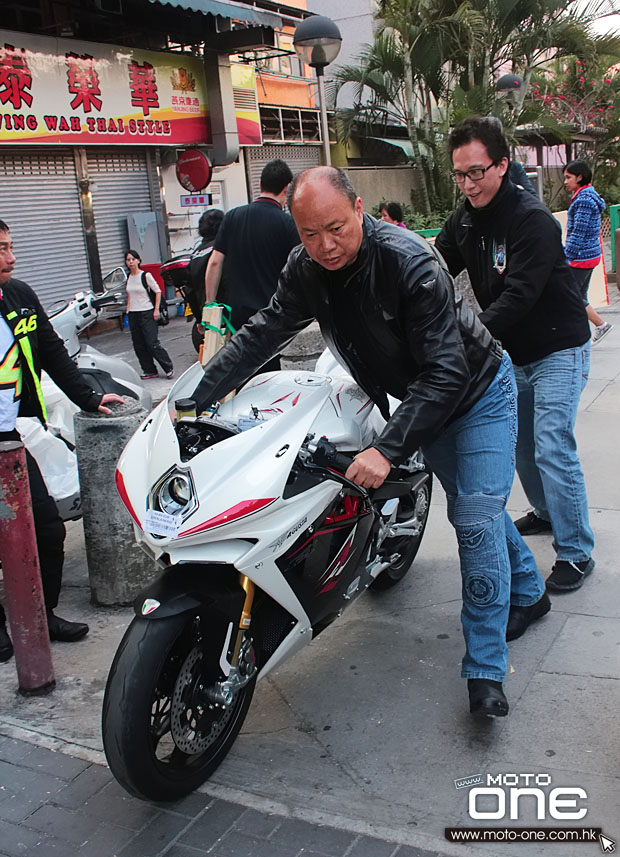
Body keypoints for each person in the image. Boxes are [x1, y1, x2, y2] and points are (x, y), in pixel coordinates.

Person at [190, 166, 548, 718]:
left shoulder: (410, 262)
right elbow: (265, 329)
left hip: (475, 392)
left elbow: (448, 373)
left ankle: (484, 668)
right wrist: (195, 397)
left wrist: (386, 449)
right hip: (423, 402)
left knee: (474, 518)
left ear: (359, 210)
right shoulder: (304, 267)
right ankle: (529, 591)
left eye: (335, 227)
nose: (325, 245)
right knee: (478, 505)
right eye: (309, 234)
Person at [435, 116, 595, 594]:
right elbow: (433, 262)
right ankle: (547, 513)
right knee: (522, 448)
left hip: (559, 347)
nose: (467, 184)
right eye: (459, 174)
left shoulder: (531, 219)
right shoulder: (464, 216)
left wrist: (463, 336)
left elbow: (519, 296)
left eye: (476, 172)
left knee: (551, 444)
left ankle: (576, 551)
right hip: (513, 354)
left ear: (503, 165)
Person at [0, 219, 124, 662]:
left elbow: (52, 350)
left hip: (15, 437)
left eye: (10, 247)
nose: (11, 258)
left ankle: (42, 613)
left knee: (48, 527)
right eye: (1, 249)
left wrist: (89, 397)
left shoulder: (20, 295)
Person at [204, 158, 299, 373]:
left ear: (260, 185)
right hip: (272, 314)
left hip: (237, 315)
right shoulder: (287, 224)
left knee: (239, 372)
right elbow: (299, 270)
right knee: (268, 374)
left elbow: (215, 262)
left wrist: (210, 304)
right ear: (286, 188)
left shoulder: (232, 217)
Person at [563, 159, 612, 344]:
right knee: (579, 296)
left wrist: (566, 255)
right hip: (588, 256)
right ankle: (586, 332)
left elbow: (579, 232)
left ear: (580, 177)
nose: (566, 181)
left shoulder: (583, 200)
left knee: (571, 296)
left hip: (580, 258)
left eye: (569, 177)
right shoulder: (586, 196)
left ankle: (599, 325)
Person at [125, 249, 174, 380]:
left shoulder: (145, 276)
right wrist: (128, 308)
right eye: (128, 260)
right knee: (138, 344)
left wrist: (156, 309)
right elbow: (130, 293)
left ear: (138, 260)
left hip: (147, 312)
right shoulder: (129, 277)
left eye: (133, 259)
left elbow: (157, 291)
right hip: (133, 314)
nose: (131, 262)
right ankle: (149, 370)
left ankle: (168, 367)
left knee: (152, 342)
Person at [186, 209, 225, 352]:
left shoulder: (196, 254)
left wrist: (198, 318)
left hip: (207, 314)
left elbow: (189, 290)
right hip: (226, 312)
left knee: (212, 353)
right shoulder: (221, 249)